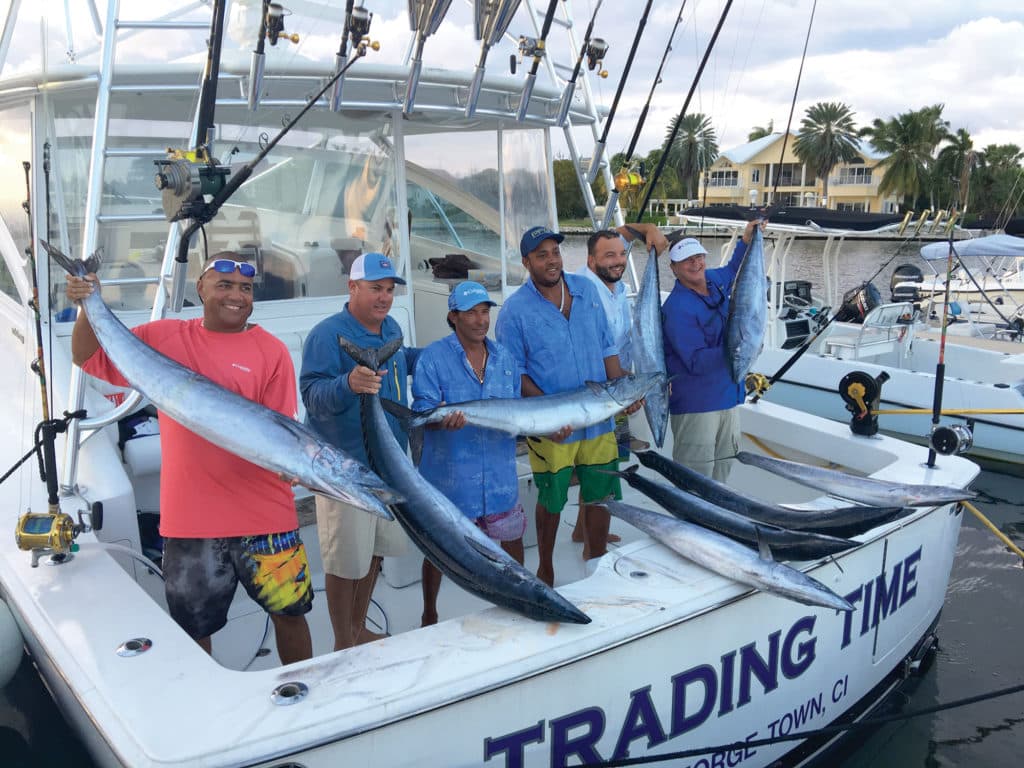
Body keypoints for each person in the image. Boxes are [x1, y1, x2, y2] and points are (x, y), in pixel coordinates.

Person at [66, 253, 313, 664]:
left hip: (267, 516)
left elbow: (278, 433)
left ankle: (306, 688)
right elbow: (87, 357)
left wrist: (293, 466)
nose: (236, 296)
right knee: (193, 627)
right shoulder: (163, 337)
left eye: (245, 289)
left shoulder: (272, 351)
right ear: (200, 289)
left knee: (291, 614)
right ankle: (208, 699)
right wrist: (86, 303)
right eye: (224, 285)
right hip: (191, 520)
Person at [495, 225, 642, 587]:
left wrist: (624, 390)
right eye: (541, 255)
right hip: (551, 427)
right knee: (552, 497)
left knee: (602, 491)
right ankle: (546, 567)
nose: (551, 261)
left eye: (555, 252)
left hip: (599, 419)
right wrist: (546, 415)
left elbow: (607, 346)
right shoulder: (514, 310)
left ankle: (596, 557)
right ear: (526, 262)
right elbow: (515, 371)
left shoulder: (587, 291)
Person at [300, 253, 416, 650]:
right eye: (375, 289)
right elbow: (312, 396)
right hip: (344, 470)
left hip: (389, 466)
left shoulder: (392, 329)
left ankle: (357, 626)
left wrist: (447, 353)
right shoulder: (326, 335)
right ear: (352, 287)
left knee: (375, 554)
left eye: (389, 290)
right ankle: (342, 640)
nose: (384, 297)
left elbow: (401, 364)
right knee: (345, 562)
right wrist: (348, 383)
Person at [412, 281, 526, 625]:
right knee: (438, 550)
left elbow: (516, 413)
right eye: (471, 312)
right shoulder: (433, 357)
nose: (480, 320)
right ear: (453, 316)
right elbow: (422, 415)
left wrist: (550, 428)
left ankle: (520, 598)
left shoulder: (505, 358)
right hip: (451, 483)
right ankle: (429, 612)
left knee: (512, 539)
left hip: (500, 478)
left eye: (485, 311)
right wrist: (441, 421)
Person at [662, 219, 761, 481]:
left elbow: (734, 269)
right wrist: (738, 348)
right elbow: (695, 361)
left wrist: (747, 239)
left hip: (728, 397)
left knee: (723, 471)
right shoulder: (676, 309)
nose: (695, 264)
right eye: (687, 260)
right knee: (695, 478)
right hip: (697, 405)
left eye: (699, 257)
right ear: (673, 268)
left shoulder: (714, 280)